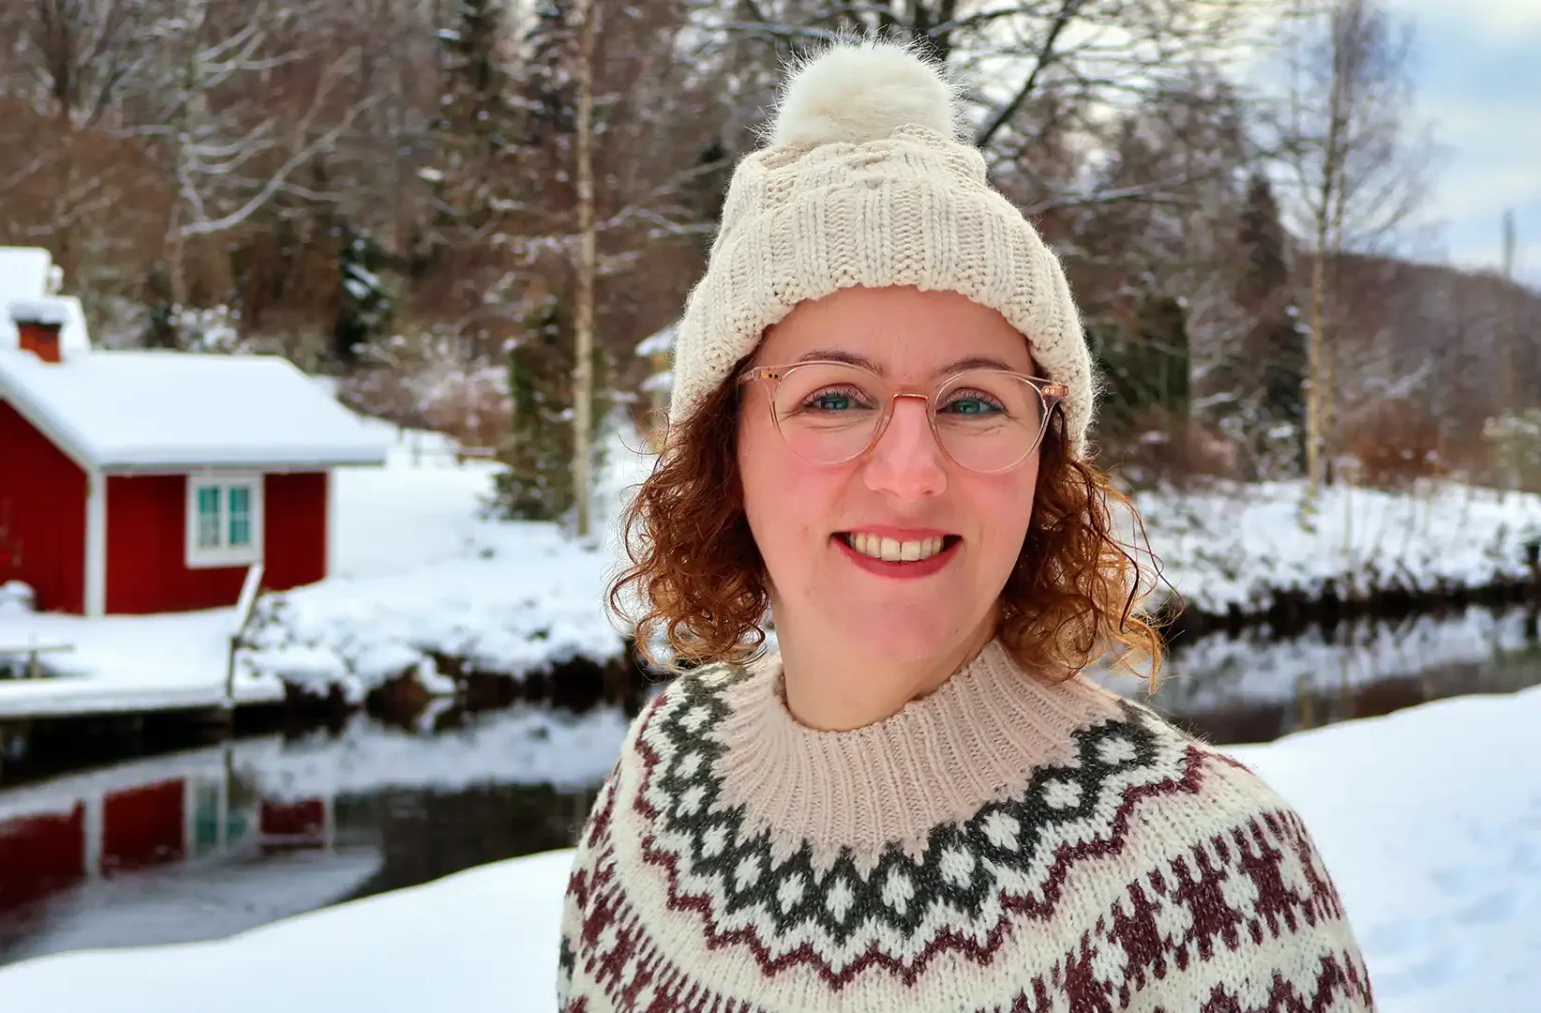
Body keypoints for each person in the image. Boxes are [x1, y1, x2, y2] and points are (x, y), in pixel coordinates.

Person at [556, 37, 1376, 1013]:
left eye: (976, 402)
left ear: (1045, 455)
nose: (910, 474)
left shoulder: (1213, 891)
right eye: (834, 397)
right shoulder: (655, 785)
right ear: (723, 446)